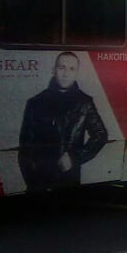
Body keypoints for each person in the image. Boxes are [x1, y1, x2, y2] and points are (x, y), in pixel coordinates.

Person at [18, 52, 109, 191]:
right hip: (39, 182)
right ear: (54, 70)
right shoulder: (35, 103)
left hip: (69, 181)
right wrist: (32, 178)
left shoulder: (84, 102)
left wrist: (74, 157)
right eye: (62, 68)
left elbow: (100, 134)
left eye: (71, 69)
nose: (66, 73)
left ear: (76, 73)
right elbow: (25, 146)